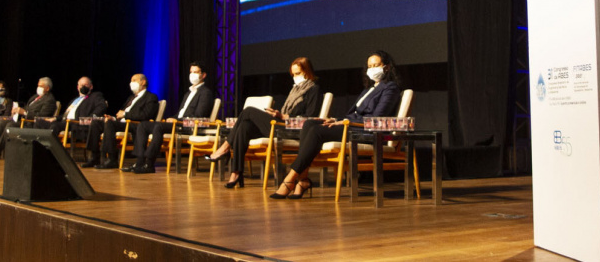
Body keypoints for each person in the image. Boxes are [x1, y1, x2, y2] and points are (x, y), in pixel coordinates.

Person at [271, 50, 401, 200]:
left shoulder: (390, 88)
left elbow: (376, 119)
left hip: (364, 131)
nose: (372, 69)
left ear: (387, 67)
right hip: (351, 125)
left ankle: (290, 178)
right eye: (369, 66)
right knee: (309, 124)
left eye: (376, 65)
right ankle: (303, 180)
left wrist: (345, 122)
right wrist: (335, 119)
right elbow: (354, 113)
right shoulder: (368, 89)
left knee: (317, 132)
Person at [205, 57, 321, 188]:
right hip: (282, 124)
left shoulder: (313, 89)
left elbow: (310, 118)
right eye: (293, 74)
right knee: (244, 126)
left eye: (298, 73)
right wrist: (278, 114)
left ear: (307, 72)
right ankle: (236, 173)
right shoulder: (295, 90)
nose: (295, 77)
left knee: (248, 111)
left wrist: (284, 116)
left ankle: (225, 147)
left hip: (293, 130)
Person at [122, 62, 214, 174]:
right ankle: (140, 161)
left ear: (203, 75)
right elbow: (181, 112)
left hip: (188, 126)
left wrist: (178, 121)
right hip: (179, 123)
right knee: (143, 125)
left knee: (159, 127)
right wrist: (172, 118)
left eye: (195, 72)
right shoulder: (188, 93)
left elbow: (199, 115)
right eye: (191, 72)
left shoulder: (206, 93)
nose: (192, 75)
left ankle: (149, 164)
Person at [85, 73, 160, 169]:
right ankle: (94, 156)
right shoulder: (131, 98)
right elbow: (121, 114)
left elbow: (146, 115)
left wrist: (125, 115)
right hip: (122, 123)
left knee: (110, 124)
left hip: (135, 125)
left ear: (143, 82)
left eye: (134, 80)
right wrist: (114, 118)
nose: (131, 83)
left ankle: (112, 159)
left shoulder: (151, 97)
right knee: (96, 123)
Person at [0, 77, 57, 159]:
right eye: (38, 85)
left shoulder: (49, 100)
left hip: (32, 124)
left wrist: (24, 112)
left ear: (47, 88)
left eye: (40, 86)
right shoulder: (35, 97)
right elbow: (26, 108)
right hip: (23, 121)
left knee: (10, 125)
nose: (38, 88)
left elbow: (42, 116)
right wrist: (17, 110)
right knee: (1, 123)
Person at [35, 76, 106, 142]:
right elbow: (66, 114)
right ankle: (37, 147)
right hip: (65, 122)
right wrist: (56, 118)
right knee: (39, 122)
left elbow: (101, 106)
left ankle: (52, 151)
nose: (83, 86)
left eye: (86, 85)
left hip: (76, 123)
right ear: (78, 87)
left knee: (55, 126)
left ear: (91, 86)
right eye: (81, 85)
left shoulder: (95, 96)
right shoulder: (74, 100)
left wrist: (89, 118)